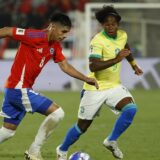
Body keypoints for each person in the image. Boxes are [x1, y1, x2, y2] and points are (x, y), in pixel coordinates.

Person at [0, 12, 98, 160]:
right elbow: (7, 30)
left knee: (8, 132)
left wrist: (85, 78)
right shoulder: (34, 36)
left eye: (67, 33)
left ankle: (33, 151)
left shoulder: (54, 46)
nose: (64, 35)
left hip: (16, 89)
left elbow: (64, 66)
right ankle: (34, 152)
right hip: (18, 88)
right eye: (63, 31)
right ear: (52, 27)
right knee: (57, 113)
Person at [56, 6, 143, 160]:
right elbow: (93, 66)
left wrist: (133, 64)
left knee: (131, 109)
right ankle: (62, 150)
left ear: (118, 24)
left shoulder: (122, 35)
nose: (110, 27)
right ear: (102, 25)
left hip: (114, 86)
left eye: (113, 24)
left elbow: (125, 47)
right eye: (107, 24)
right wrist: (117, 59)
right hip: (95, 87)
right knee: (82, 127)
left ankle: (111, 140)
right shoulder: (98, 40)